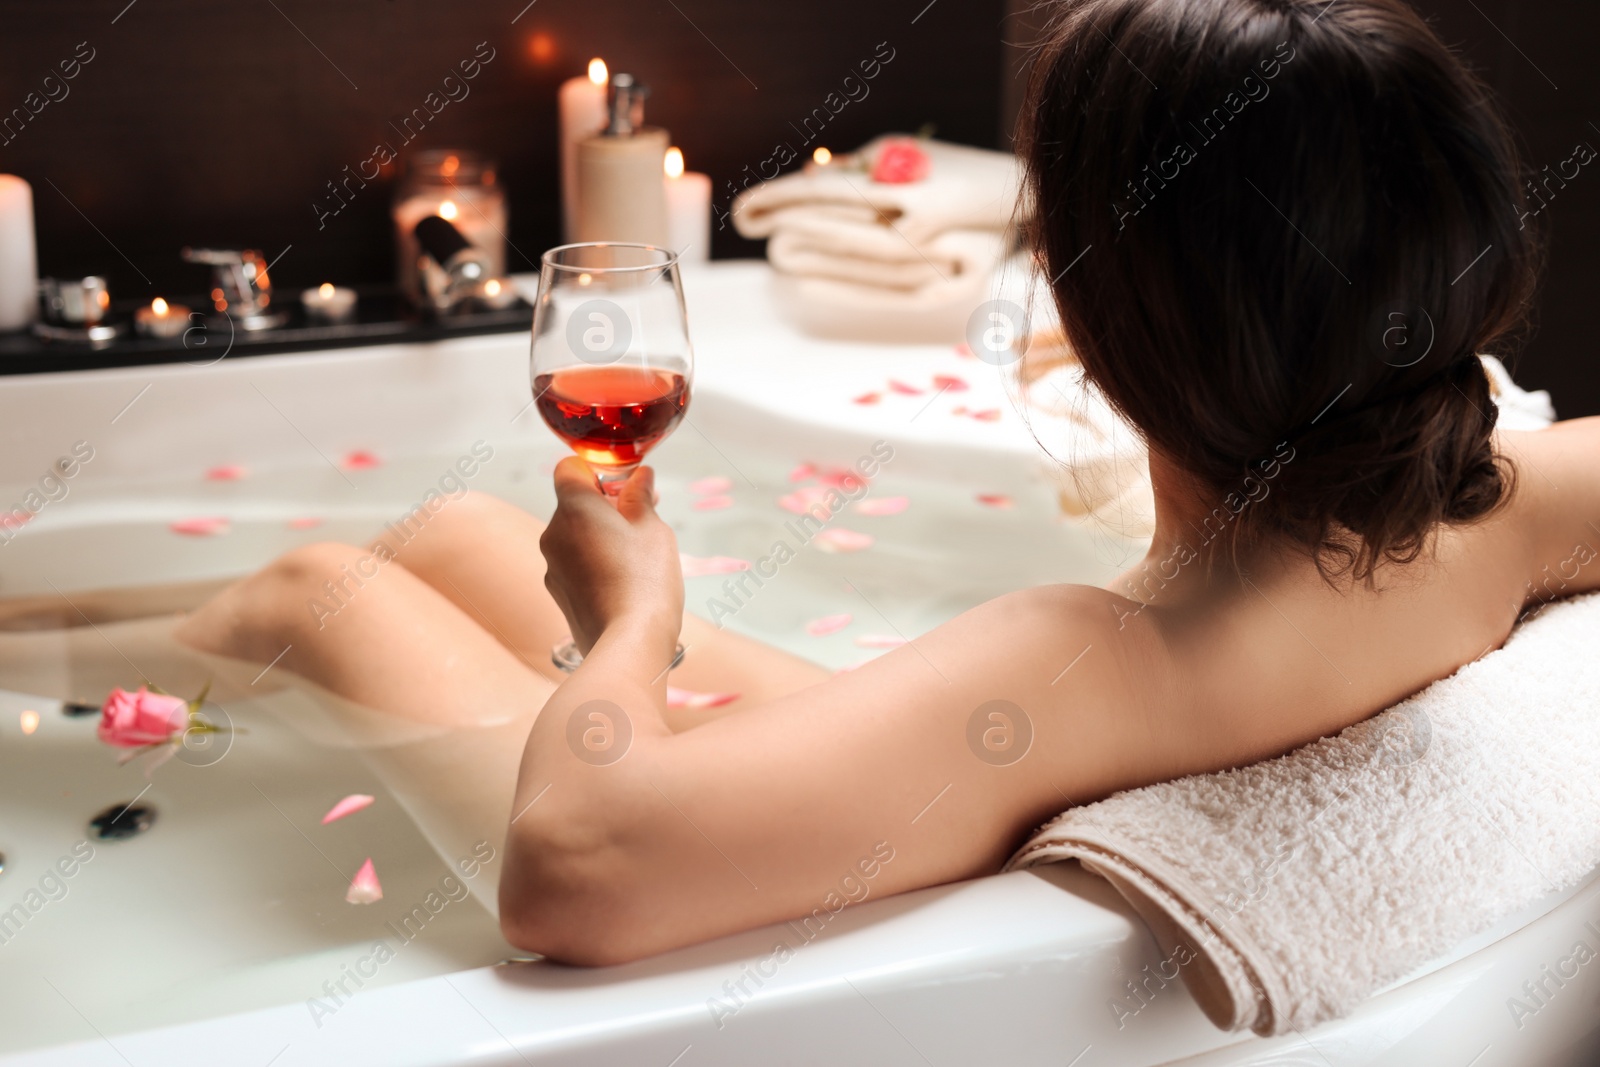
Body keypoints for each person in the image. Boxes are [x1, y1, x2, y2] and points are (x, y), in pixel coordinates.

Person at [177, 0, 1600, 965]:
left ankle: (45, 679)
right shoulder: (1502, 510)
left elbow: (571, 868)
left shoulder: (1084, 653)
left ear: (1116, 316)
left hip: (867, 787)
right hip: (971, 757)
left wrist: (636, 623)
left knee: (322, 588)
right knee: (456, 528)